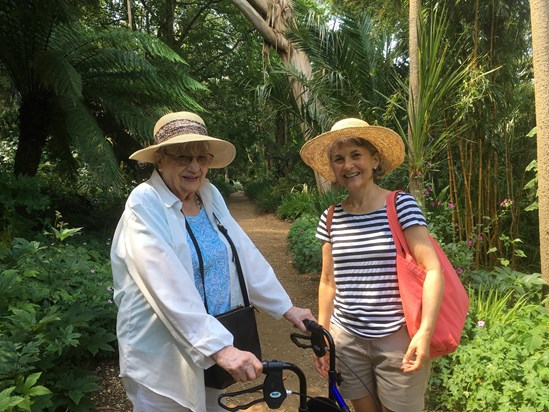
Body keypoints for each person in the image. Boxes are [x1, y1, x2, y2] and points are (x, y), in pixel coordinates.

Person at [111, 111, 314, 412]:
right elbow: (165, 283)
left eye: (201, 158)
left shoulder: (208, 194)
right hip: (163, 357)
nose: (194, 167)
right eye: (182, 157)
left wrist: (285, 307)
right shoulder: (145, 203)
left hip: (213, 344)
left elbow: (242, 255)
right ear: (160, 160)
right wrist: (220, 348)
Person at [299, 117, 444, 412]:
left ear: (374, 160)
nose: (348, 165)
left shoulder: (400, 205)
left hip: (398, 338)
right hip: (347, 339)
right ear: (333, 170)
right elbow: (328, 281)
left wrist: (424, 333)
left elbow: (432, 270)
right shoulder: (331, 217)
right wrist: (323, 335)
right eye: (339, 159)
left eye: (356, 155)